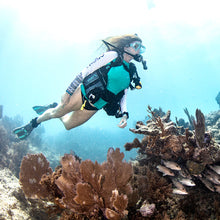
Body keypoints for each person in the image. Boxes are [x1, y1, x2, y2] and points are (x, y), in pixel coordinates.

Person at [13, 34, 147, 140]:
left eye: (141, 48)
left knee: (67, 125)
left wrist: (125, 114)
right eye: (136, 45)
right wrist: (68, 92)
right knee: (56, 113)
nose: (138, 50)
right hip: (83, 93)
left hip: (95, 106)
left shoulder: (132, 70)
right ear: (126, 47)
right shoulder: (112, 56)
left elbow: (123, 93)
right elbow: (86, 71)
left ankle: (53, 105)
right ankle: (33, 123)